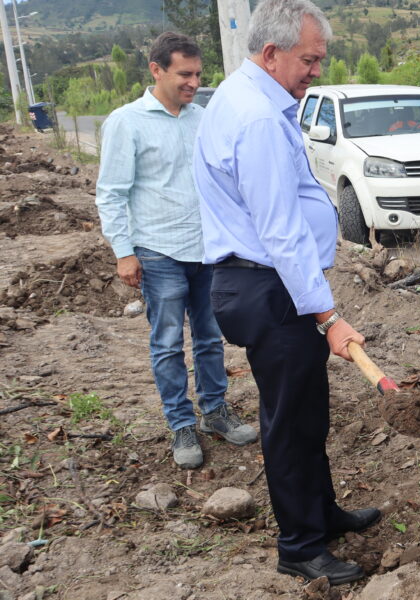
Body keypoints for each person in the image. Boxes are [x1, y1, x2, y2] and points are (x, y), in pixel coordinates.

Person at [192, 0, 378, 586]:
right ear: (271, 54)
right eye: (310, 59)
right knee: (289, 422)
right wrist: (328, 315)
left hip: (270, 284)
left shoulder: (251, 100)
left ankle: (320, 513)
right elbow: (279, 230)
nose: (317, 71)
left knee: (307, 412)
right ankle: (299, 545)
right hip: (267, 287)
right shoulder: (257, 118)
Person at [94, 32, 256, 470]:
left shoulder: (202, 119)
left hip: (206, 251)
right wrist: (124, 252)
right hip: (157, 251)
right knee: (167, 343)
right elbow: (111, 193)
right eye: (185, 74)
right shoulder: (127, 122)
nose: (193, 82)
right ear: (157, 70)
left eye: (198, 74)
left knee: (208, 337)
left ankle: (215, 412)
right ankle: (181, 423)